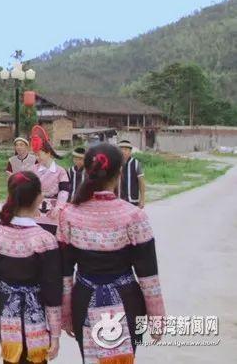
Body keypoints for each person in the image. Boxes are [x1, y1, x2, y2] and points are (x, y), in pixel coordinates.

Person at [58, 143, 165, 362]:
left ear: (87, 172)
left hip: (83, 302)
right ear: (119, 173)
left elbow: (64, 275)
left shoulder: (69, 215)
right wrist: (157, 320)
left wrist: (66, 315)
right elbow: (148, 276)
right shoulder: (134, 216)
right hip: (128, 303)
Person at [0, 171, 61, 363]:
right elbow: (52, 291)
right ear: (39, 198)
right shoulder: (46, 240)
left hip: (4, 311)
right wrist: (56, 333)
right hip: (36, 314)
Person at [26, 126, 71, 235]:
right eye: (35, 155)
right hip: (35, 209)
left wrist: (59, 207)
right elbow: (28, 190)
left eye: (39, 154)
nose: (37, 157)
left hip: (53, 211)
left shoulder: (61, 171)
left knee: (52, 236)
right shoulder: (32, 170)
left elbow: (64, 191)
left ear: (48, 153)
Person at [117, 140, 146, 208]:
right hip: (118, 200)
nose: (123, 151)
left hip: (132, 201)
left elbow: (141, 182)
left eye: (126, 149)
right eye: (121, 149)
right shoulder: (115, 163)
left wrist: (142, 199)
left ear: (130, 151)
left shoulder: (136, 163)